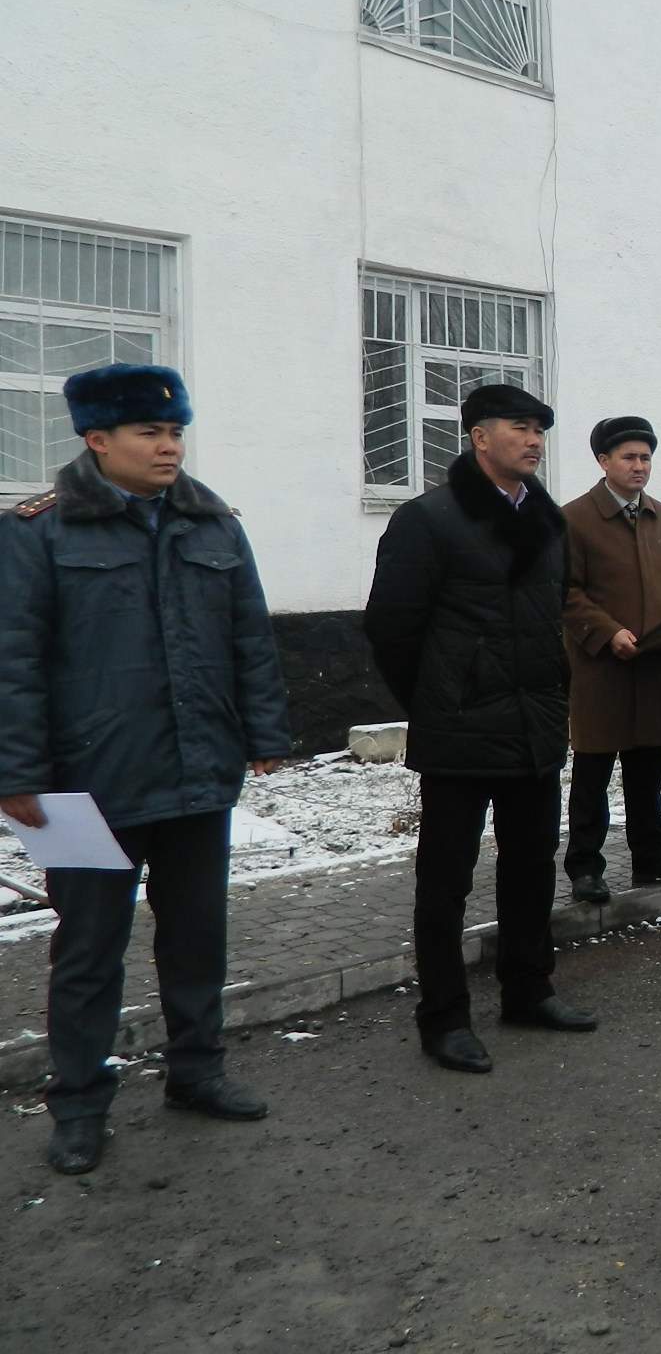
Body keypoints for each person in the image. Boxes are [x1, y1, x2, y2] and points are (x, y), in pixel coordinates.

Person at [0, 365, 292, 1175]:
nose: (169, 447)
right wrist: (16, 772)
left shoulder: (212, 523)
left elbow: (249, 637)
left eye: (175, 432)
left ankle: (197, 1073)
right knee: (88, 951)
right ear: (97, 439)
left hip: (198, 770)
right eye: (149, 433)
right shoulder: (38, 531)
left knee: (197, 939)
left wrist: (264, 730)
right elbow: (12, 660)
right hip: (85, 786)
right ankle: (79, 1104)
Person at [364, 383, 596, 1077]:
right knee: (446, 883)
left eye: (540, 430)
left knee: (531, 867)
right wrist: (442, 696)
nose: (534, 440)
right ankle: (444, 1018)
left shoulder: (547, 521)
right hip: (459, 730)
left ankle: (529, 990)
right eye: (519, 427)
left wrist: (551, 690)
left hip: (532, 725)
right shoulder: (428, 518)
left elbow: (551, 615)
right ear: (478, 436)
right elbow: (392, 627)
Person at [559, 417, 661, 905]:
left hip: (655, 664)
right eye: (629, 457)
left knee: (648, 768)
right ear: (604, 461)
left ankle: (650, 854)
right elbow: (566, 591)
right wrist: (607, 633)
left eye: (645, 457)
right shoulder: (574, 518)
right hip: (602, 667)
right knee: (593, 771)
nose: (639, 466)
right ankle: (585, 866)